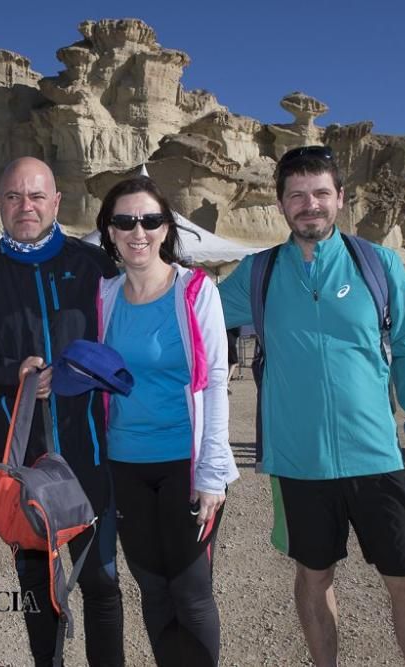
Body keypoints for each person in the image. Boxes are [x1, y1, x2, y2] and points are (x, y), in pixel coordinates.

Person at [219, 145, 405, 667]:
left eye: (320, 193)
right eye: (296, 195)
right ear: (280, 205)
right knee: (314, 577)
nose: (309, 204)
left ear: (340, 198)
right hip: (299, 462)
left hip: (377, 456)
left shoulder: (378, 263)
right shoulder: (258, 273)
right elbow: (190, 306)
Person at [0, 157, 124, 666]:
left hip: (90, 453)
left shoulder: (94, 266)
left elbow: (120, 346)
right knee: (36, 583)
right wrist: (16, 372)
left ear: (56, 203)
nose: (24, 206)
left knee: (100, 582)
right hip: (22, 461)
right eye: (12, 197)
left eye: (35, 196)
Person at [93, 176, 238, 665]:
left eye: (150, 220)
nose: (139, 231)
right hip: (125, 463)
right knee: (152, 587)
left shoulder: (196, 291)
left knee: (191, 590)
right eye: (125, 221)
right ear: (109, 231)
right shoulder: (104, 297)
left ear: (166, 228)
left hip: (184, 461)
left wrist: (212, 472)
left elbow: (215, 380)